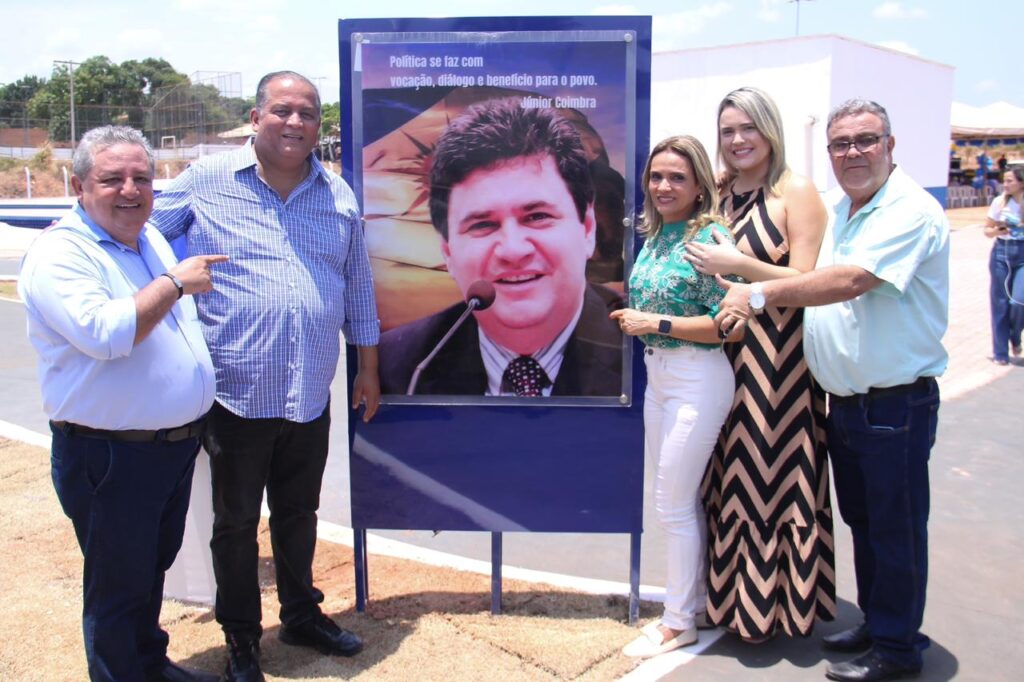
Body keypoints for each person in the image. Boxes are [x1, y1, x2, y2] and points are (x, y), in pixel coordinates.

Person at [149, 71, 381, 682]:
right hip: (235, 394)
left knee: (299, 512)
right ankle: (242, 639)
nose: (295, 122)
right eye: (282, 110)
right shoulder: (206, 181)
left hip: (309, 391)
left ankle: (301, 615)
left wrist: (368, 367)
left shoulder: (337, 195)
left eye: (308, 113)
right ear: (256, 119)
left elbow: (358, 284)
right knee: (234, 524)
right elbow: (142, 237)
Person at [716, 99, 949, 682]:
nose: (852, 152)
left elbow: (849, 280)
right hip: (847, 402)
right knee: (866, 526)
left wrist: (758, 292)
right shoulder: (846, 208)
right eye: (841, 143)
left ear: (890, 145)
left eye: (865, 140)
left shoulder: (910, 210)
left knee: (895, 530)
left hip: (893, 402)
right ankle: (880, 624)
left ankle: (897, 650)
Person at [18, 125, 226, 681]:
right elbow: (106, 334)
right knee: (117, 585)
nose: (130, 190)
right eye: (112, 179)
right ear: (80, 186)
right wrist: (174, 284)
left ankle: (148, 664)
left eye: (142, 178)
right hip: (110, 455)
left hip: (166, 449)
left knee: (148, 571)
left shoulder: (147, 237)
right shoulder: (62, 253)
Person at [683, 86, 834, 642]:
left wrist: (739, 265)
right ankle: (726, 599)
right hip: (718, 350)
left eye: (748, 128)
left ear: (770, 130)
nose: (738, 139)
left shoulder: (796, 191)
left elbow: (807, 281)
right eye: (728, 131)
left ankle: (771, 608)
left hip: (777, 362)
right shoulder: (718, 191)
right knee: (722, 472)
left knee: (767, 472)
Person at [378, 99, 624, 397]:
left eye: (537, 217)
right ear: (448, 252)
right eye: (482, 225)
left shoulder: (638, 349)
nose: (513, 250)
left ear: (587, 228)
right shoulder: (400, 367)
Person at [615, 136, 736, 658]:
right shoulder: (657, 234)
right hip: (659, 376)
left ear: (699, 185)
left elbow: (728, 325)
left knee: (672, 504)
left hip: (697, 377)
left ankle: (678, 621)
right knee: (677, 501)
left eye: (677, 178)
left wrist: (654, 322)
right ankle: (696, 604)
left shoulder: (710, 239)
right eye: (657, 176)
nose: (664, 186)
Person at [983, 166, 1024, 365]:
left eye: (1010, 181)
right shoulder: (999, 202)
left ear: (1021, 183)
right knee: (999, 303)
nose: (1005, 184)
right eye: (1004, 180)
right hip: (1001, 252)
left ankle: (1015, 336)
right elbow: (987, 230)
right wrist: (999, 230)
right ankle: (1000, 352)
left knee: (1018, 301)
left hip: (1022, 254)